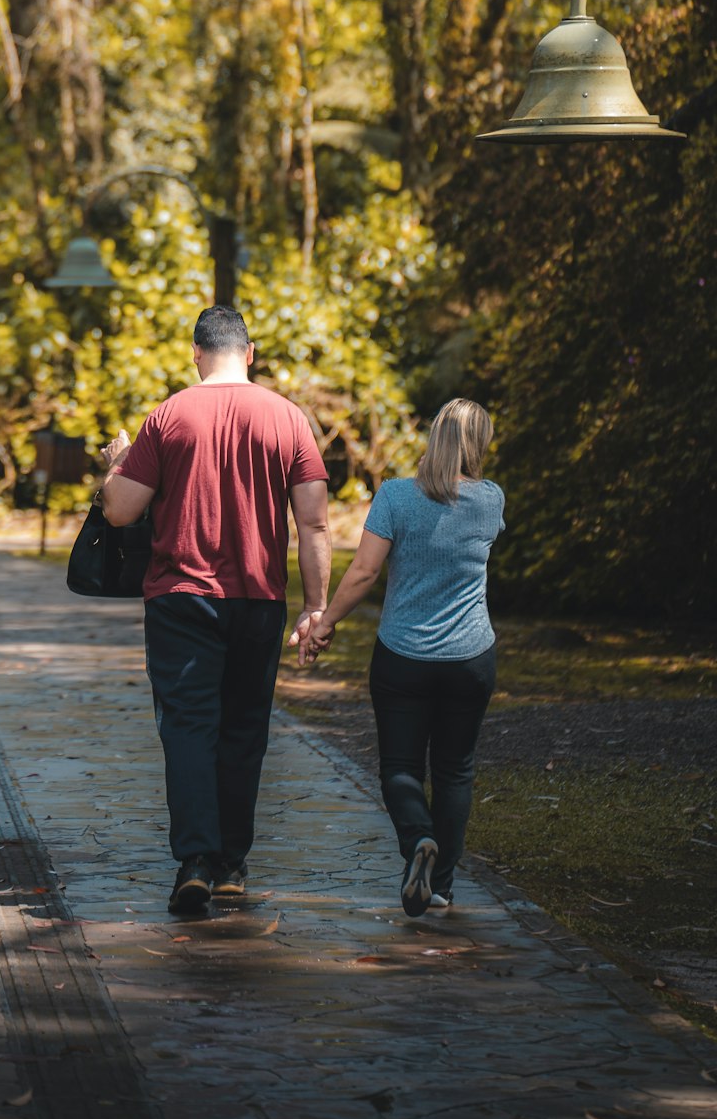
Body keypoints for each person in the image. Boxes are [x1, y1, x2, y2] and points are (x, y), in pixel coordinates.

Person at [100, 304, 331, 915]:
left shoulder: (169, 414)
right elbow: (314, 523)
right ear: (249, 353)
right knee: (245, 730)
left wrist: (116, 465)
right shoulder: (289, 418)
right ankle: (232, 865)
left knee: (188, 729)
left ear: (197, 354)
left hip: (182, 599)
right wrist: (317, 607)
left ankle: (196, 862)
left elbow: (120, 511)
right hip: (259, 601)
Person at [301, 398, 504, 918]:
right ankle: (440, 887)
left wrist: (323, 624)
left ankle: (417, 840)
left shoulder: (395, 496)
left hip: (403, 656)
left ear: (433, 437)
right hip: (470, 656)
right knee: (455, 771)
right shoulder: (491, 500)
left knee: (400, 768)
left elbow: (365, 573)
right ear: (478, 445)